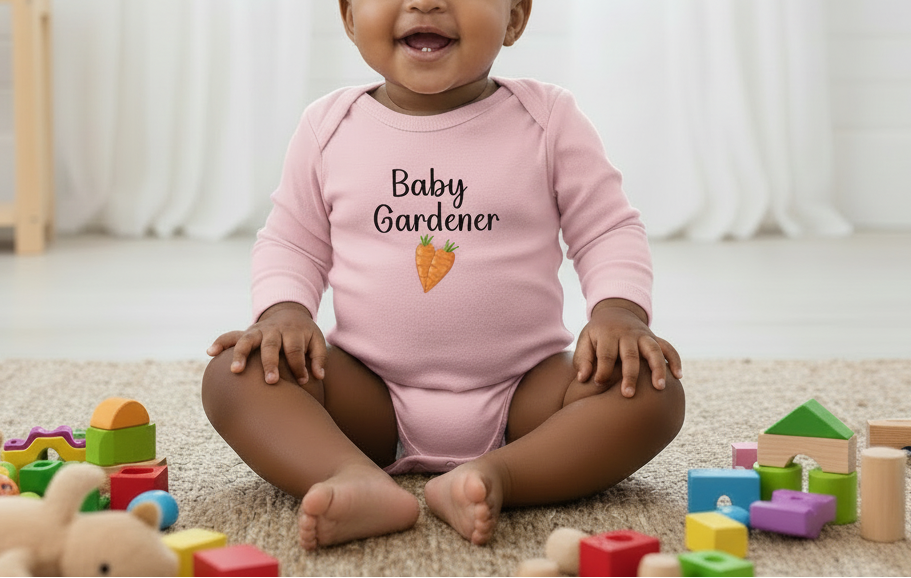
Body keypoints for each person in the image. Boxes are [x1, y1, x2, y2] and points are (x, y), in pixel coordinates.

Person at [201, 0, 685, 551]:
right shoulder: (328, 127)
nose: (424, 2)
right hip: (370, 395)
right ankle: (348, 473)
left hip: (526, 395)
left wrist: (619, 312)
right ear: (349, 16)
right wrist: (284, 312)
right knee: (234, 374)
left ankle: (501, 475)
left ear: (515, 16)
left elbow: (606, 229)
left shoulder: (548, 120)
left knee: (652, 388)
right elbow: (292, 241)